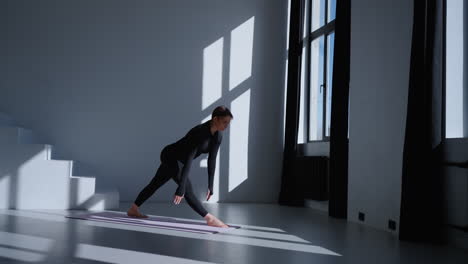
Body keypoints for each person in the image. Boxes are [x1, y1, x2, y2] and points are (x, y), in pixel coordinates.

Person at [127, 106, 233, 228]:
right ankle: (210, 219)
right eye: (225, 122)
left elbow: (212, 159)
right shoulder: (200, 132)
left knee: (155, 184)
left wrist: (210, 185)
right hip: (171, 156)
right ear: (215, 119)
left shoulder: (218, 136)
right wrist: (181, 187)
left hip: (180, 160)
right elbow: (189, 159)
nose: (227, 126)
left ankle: (133, 209)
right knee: (187, 189)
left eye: (228, 123)